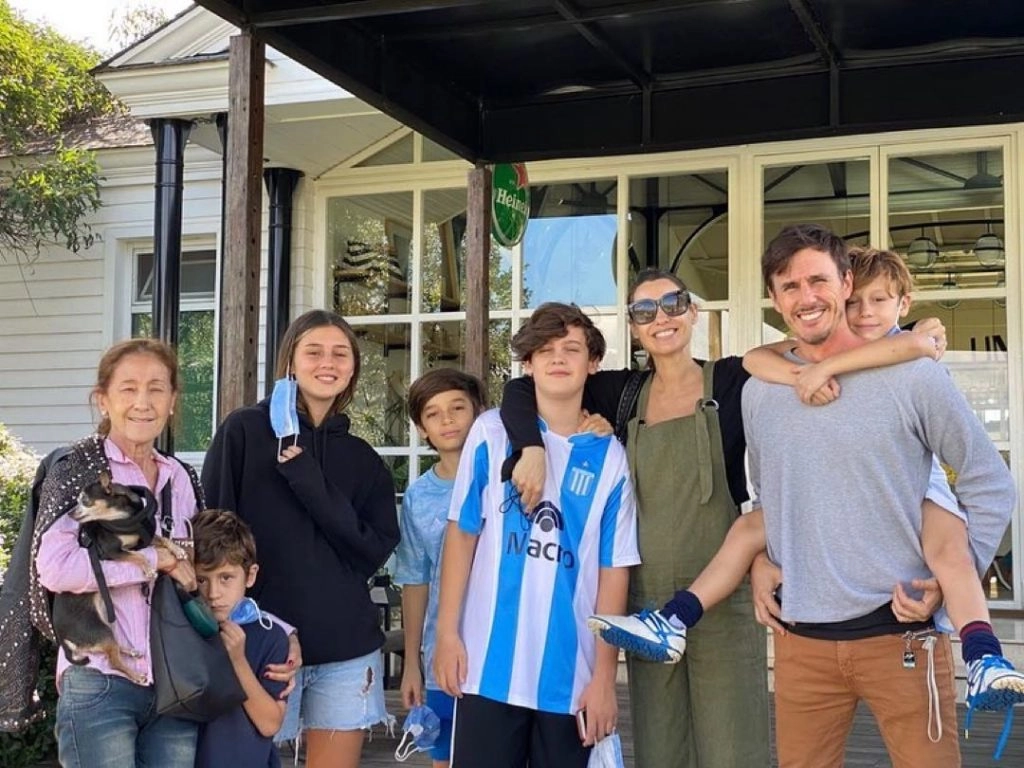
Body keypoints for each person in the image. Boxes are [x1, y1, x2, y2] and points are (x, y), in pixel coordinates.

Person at [744, 224, 1016, 767]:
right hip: (801, 644)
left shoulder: (914, 376)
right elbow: (771, 494)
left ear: (845, 283)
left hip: (904, 639)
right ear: (774, 298)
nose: (806, 297)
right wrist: (761, 558)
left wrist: (949, 584)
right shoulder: (760, 391)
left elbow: (989, 481)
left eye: (818, 280)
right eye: (790, 286)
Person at [501, 272, 771, 767]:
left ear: (693, 311)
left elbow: (796, 360)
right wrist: (531, 447)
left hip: (722, 594)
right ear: (633, 327)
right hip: (645, 604)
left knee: (733, 747)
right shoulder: (620, 392)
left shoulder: (731, 380)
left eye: (673, 304)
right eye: (645, 311)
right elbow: (521, 388)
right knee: (660, 746)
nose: (660, 317)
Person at [435, 302, 639, 768]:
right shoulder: (489, 432)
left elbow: (614, 571)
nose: (558, 358)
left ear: (593, 363)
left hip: (569, 676)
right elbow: (462, 535)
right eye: (545, 349)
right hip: (486, 667)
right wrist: (447, 633)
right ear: (528, 364)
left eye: (571, 348)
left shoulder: (610, 457)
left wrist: (604, 677)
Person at [202, 309, 400, 768]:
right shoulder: (244, 432)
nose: (327, 362)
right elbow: (211, 538)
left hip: (344, 650)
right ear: (290, 361)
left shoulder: (364, 460)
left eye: (340, 353)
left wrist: (310, 482)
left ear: (353, 368)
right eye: (314, 351)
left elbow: (371, 551)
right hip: (257, 645)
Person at [30, 339, 203, 767]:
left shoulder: (180, 478)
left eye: (156, 388)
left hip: (174, 682)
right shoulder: (77, 471)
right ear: (103, 400)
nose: (143, 402)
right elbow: (54, 569)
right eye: (128, 388)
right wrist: (152, 563)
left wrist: (273, 635)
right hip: (99, 683)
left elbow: (199, 566)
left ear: (172, 401)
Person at [395, 367, 487, 767]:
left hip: (499, 653)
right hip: (442, 657)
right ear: (422, 429)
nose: (447, 420)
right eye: (433, 414)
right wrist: (412, 664)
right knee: (444, 758)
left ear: (479, 411)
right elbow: (415, 581)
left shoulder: (506, 479)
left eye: (457, 408)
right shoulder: (419, 497)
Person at [193, 508, 289, 768]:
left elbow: (269, 724)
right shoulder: (180, 629)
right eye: (202, 579)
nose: (213, 593)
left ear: (251, 575)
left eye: (226, 578)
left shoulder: (271, 637)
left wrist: (237, 660)